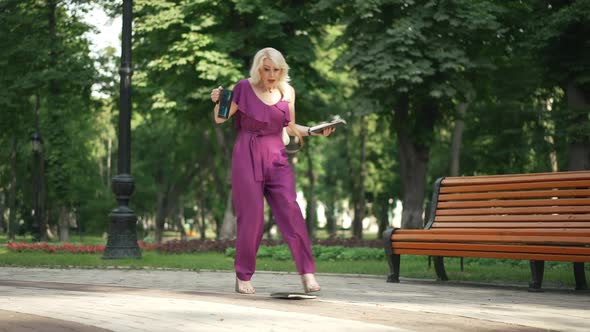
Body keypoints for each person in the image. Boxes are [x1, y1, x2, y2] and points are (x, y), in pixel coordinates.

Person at [210, 47, 335, 294]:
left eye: (276, 69)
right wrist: (219, 100)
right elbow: (220, 119)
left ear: (282, 70)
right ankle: (243, 275)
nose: (271, 74)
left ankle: (307, 273)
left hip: (277, 156)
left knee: (291, 210)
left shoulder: (287, 92)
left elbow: (288, 127)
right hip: (247, 154)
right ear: (258, 68)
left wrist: (313, 130)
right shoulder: (243, 88)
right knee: (252, 216)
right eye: (266, 69)